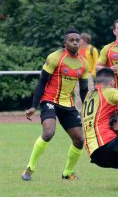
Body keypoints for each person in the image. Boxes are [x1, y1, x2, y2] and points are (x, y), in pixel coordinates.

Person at [22, 28, 89, 181]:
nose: (74, 42)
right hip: (50, 100)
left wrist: (91, 107)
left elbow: (84, 90)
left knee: (79, 140)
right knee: (49, 132)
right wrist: (34, 105)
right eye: (71, 40)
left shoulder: (83, 64)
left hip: (68, 104)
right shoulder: (54, 57)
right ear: (65, 43)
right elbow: (42, 82)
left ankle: (67, 173)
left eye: (77, 40)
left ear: (80, 42)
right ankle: (29, 169)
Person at [74, 32, 99, 112]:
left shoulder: (92, 50)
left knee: (89, 93)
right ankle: (79, 111)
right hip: (77, 74)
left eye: (79, 39)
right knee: (77, 93)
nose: (78, 41)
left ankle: (89, 111)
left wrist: (92, 73)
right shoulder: (78, 49)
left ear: (84, 40)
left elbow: (96, 62)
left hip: (88, 75)